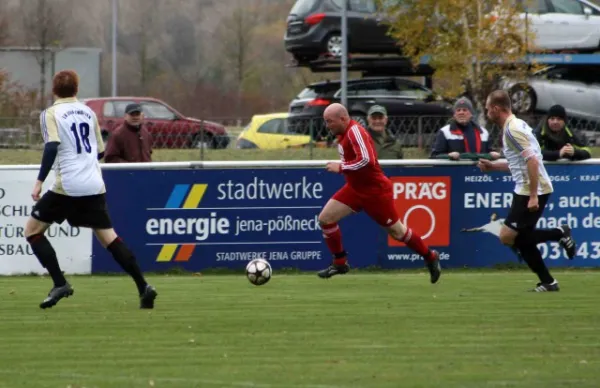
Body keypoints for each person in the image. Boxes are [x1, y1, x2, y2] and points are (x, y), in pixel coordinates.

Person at [24, 69, 157, 309]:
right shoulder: (88, 112)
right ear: (76, 89)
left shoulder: (50, 114)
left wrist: (39, 181)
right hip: (94, 184)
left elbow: (52, 146)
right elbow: (100, 152)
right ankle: (143, 286)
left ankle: (60, 283)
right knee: (109, 238)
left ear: (54, 90)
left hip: (68, 185)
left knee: (32, 230)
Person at [316, 103, 441, 282]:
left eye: (330, 121)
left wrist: (341, 167)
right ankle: (340, 263)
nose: (327, 125)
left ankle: (430, 257)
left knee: (398, 232)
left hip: (375, 192)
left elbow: (366, 160)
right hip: (355, 189)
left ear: (343, 119)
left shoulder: (354, 131)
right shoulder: (344, 134)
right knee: (325, 219)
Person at [477, 90, 576, 292]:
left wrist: (532, 195)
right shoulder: (516, 125)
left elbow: (532, 160)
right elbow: (522, 162)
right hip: (527, 188)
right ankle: (548, 282)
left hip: (532, 189)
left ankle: (558, 233)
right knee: (521, 240)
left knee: (507, 236)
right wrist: (493, 167)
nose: (487, 113)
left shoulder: (513, 130)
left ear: (496, 108)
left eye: (488, 109)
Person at [430, 97, 501, 161]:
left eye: (464, 110)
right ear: (454, 115)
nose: (461, 113)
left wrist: (494, 154)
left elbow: (490, 152)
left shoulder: (483, 132)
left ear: (471, 114)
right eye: (458, 110)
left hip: (479, 173)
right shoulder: (445, 132)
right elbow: (434, 156)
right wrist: (448, 156)